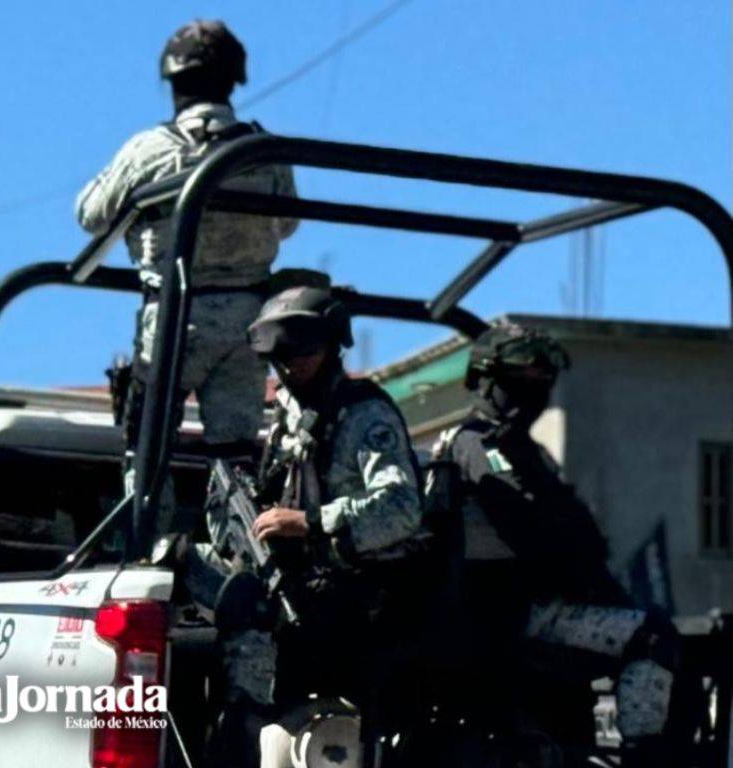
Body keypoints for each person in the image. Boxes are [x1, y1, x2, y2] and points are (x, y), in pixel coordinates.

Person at [436, 323, 679, 767]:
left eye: (542, 381)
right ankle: (644, 757)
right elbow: (535, 529)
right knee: (651, 636)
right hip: (512, 613)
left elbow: (574, 531)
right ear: (488, 379)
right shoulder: (479, 445)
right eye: (521, 380)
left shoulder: (525, 451)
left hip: (534, 605)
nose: (535, 391)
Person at [76, 19, 299, 471]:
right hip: (247, 321)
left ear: (173, 81)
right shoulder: (263, 150)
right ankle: (236, 536)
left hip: (173, 320)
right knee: (237, 461)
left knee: (145, 454)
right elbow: (288, 224)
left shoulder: (147, 149)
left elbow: (90, 215)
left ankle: (151, 538)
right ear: (235, 80)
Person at [229, 285, 426, 765]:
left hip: (362, 595)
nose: (292, 363)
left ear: (332, 345)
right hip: (305, 587)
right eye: (282, 355)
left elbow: (402, 508)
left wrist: (312, 523)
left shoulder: (364, 413)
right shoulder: (288, 415)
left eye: (304, 351)